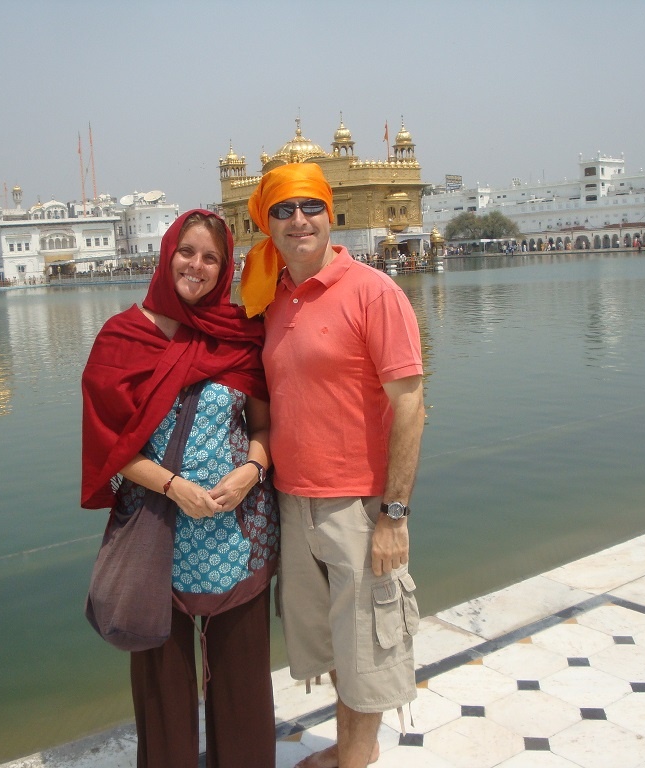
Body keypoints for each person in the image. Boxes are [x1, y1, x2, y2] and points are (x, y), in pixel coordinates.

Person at [242, 164, 425, 768]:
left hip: (360, 502)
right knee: (336, 641)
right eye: (284, 210)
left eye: (310, 207)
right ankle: (352, 751)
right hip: (295, 501)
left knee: (369, 640)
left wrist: (394, 516)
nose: (299, 220)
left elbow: (411, 405)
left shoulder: (373, 291)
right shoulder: (270, 300)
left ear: (330, 213)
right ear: (266, 225)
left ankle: (354, 758)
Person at [80, 210, 279, 768]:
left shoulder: (238, 332)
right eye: (186, 252)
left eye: (211, 258)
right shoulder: (123, 337)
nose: (197, 266)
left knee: (242, 684)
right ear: (167, 255)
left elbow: (263, 427)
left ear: (226, 268)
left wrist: (252, 471)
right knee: (162, 690)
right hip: (156, 534)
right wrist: (174, 487)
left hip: (237, 533)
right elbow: (110, 446)